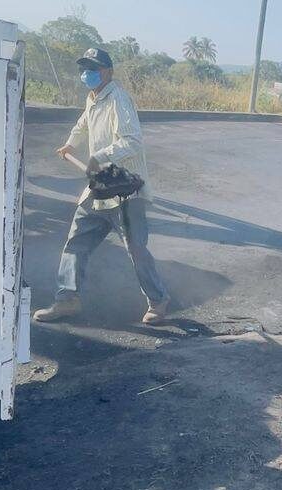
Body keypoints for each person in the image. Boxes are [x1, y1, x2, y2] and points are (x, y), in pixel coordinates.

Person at [33, 47, 169, 325]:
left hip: (125, 189)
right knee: (76, 242)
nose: (87, 74)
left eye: (92, 69)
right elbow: (83, 124)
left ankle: (158, 301)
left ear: (107, 71)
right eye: (84, 68)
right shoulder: (93, 98)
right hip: (99, 189)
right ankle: (66, 299)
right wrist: (72, 143)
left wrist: (99, 156)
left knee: (136, 249)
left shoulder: (118, 99)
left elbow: (132, 140)